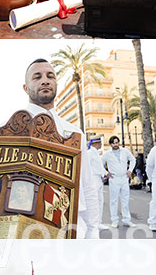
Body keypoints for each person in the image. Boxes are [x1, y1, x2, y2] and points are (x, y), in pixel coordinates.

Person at [21, 58, 99, 238]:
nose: (45, 80)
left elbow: (87, 185)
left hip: (72, 229)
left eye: (50, 76)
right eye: (37, 77)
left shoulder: (74, 133)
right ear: (25, 88)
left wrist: (93, 231)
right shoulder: (8, 131)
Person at [104, 136, 135, 228]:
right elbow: (99, 163)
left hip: (124, 178)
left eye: (117, 142)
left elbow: (133, 159)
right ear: (111, 144)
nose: (116, 144)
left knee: (125, 199)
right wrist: (106, 173)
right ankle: (114, 220)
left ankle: (127, 220)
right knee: (114, 200)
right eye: (114, 143)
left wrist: (130, 170)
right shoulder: (107, 153)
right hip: (114, 179)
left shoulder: (125, 151)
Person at [87, 137, 106, 229]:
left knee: (100, 201)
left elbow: (99, 167)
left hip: (99, 178)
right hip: (93, 178)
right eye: (100, 143)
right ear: (95, 143)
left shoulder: (96, 154)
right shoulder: (90, 153)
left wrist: (106, 173)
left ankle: (98, 222)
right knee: (94, 202)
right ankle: (93, 223)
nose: (101, 144)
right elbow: (87, 166)